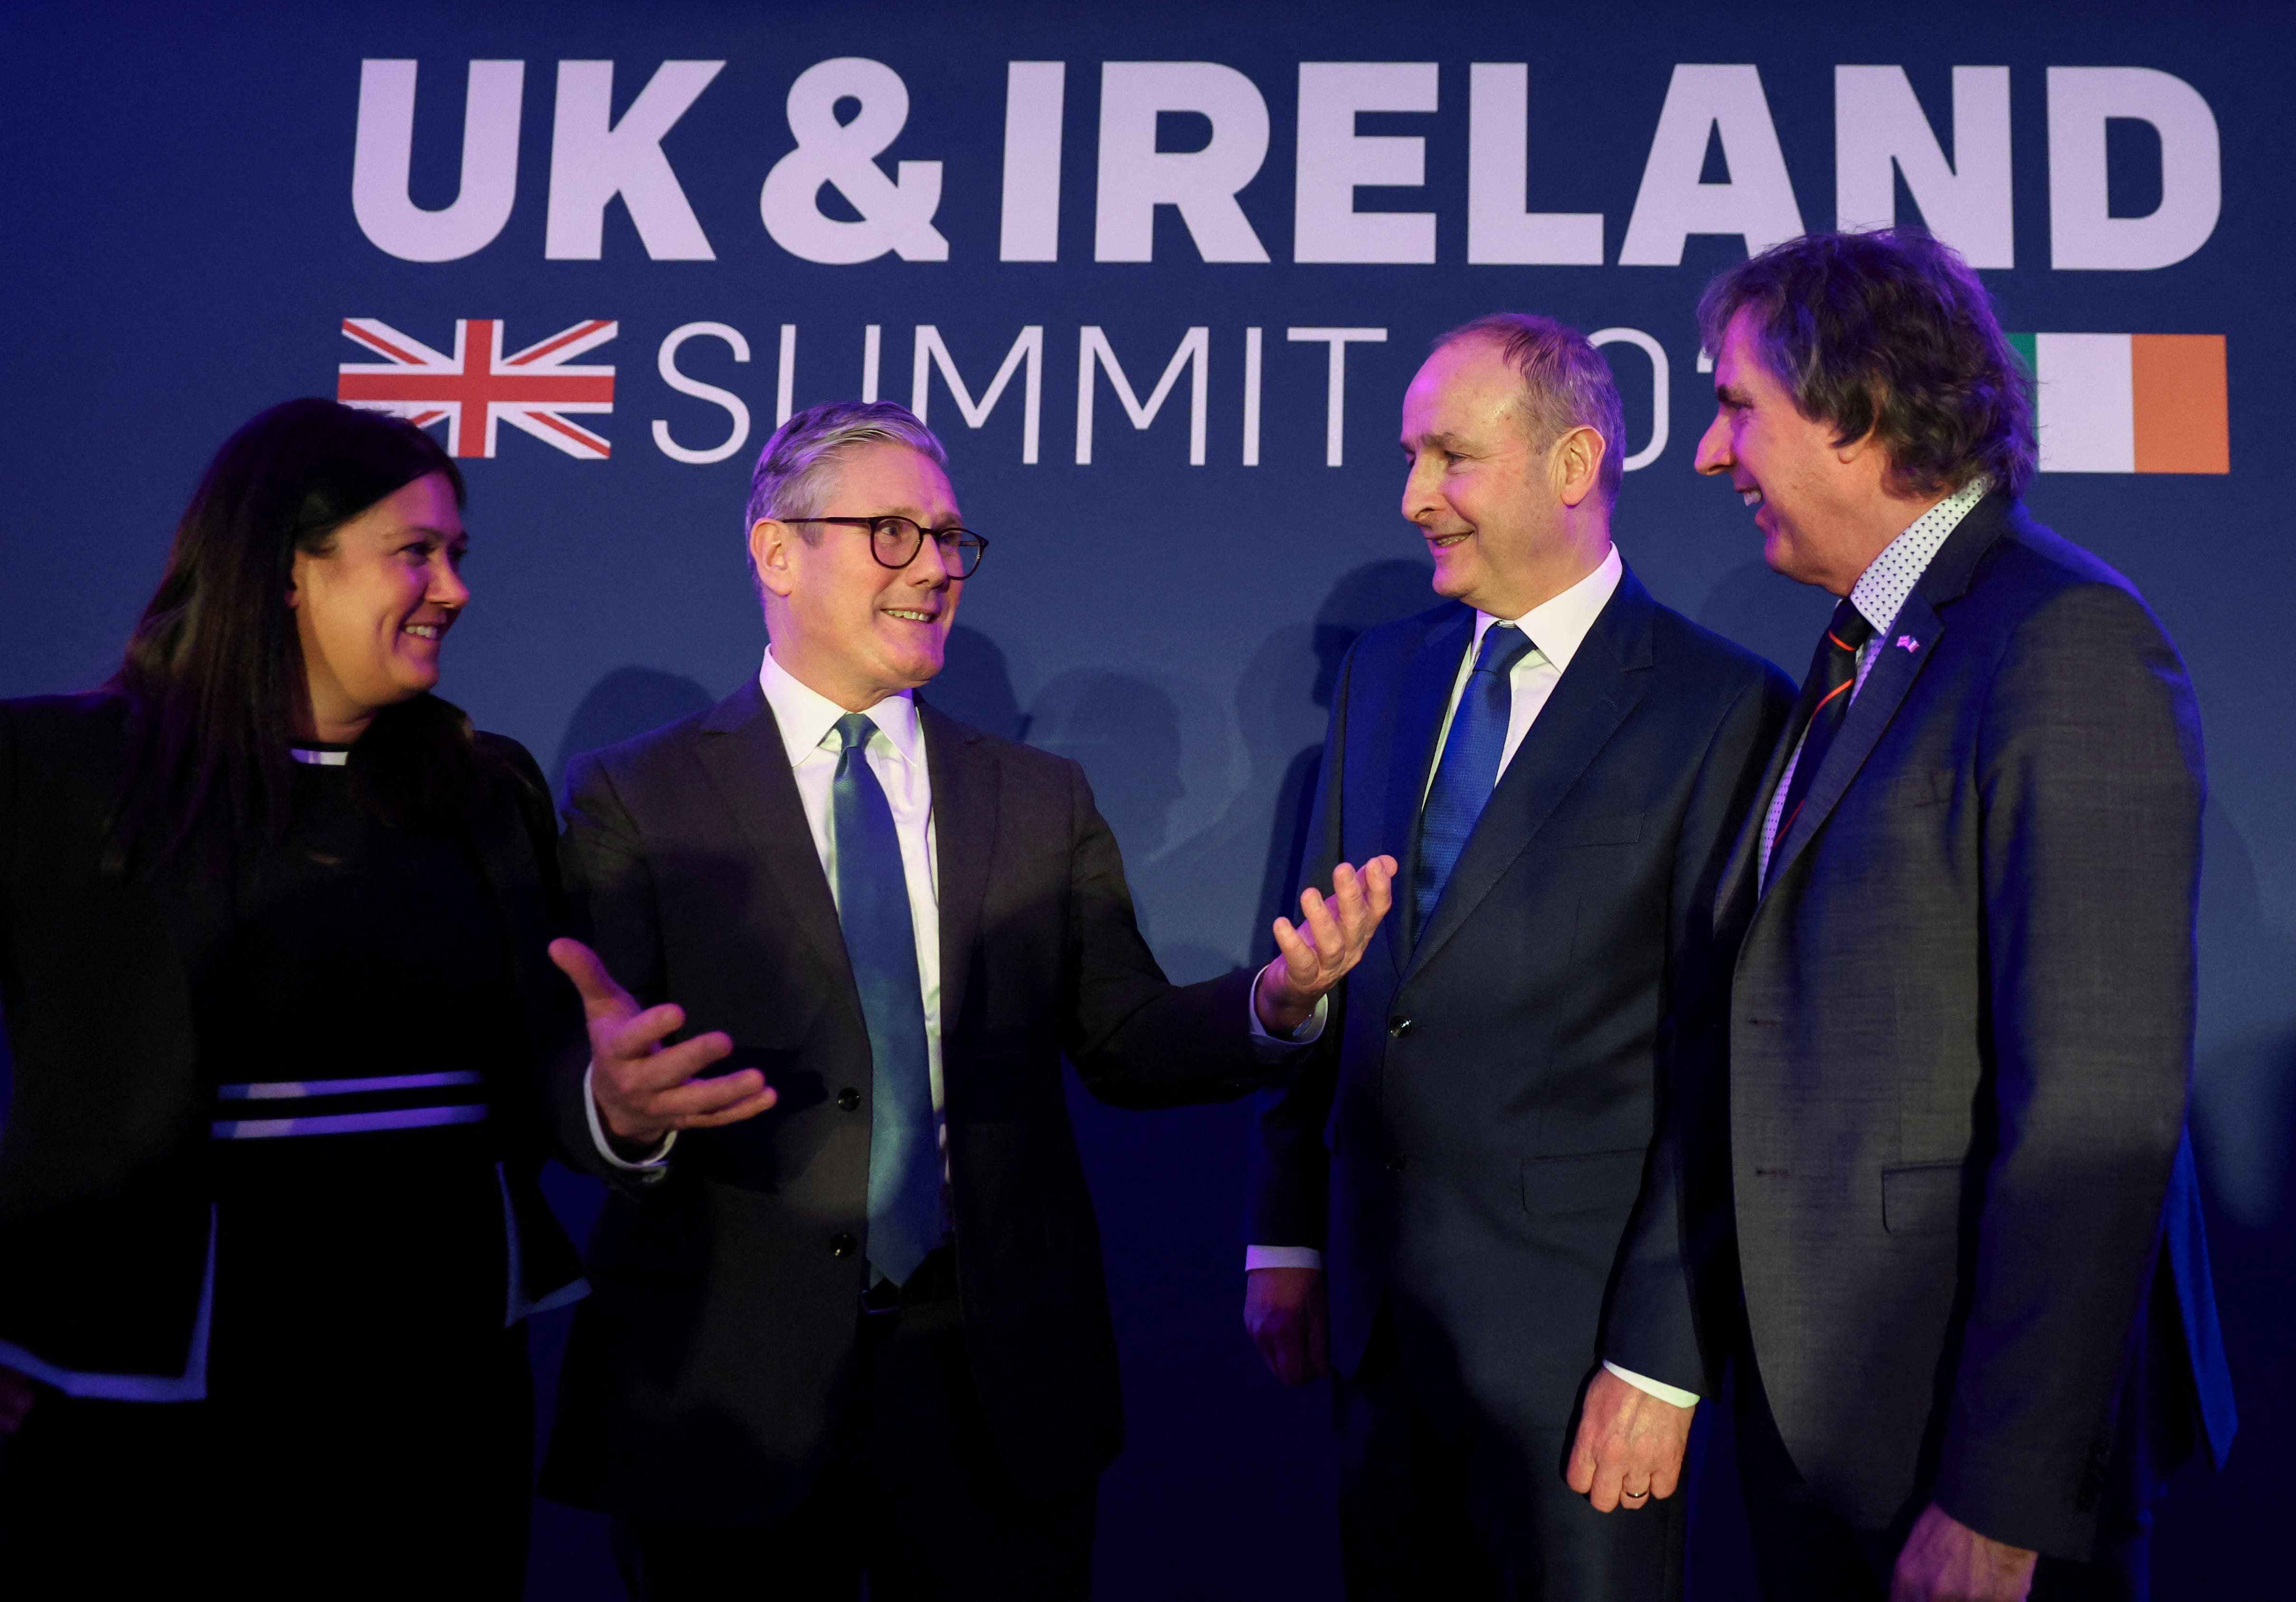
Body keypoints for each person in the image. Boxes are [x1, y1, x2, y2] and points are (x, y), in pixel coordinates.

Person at [538, 399, 1394, 1601]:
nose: (936, 566)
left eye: (948, 538)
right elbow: (570, 1071)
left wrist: (1276, 998)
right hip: (726, 1386)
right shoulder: (637, 792)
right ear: (776, 550)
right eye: (893, 532)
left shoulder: (1034, 796)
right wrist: (616, 1109)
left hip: (989, 1382)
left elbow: (1127, 1040)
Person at [1607, 228, 2237, 1601]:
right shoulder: (1866, 651)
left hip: (1965, 1470)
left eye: (1735, 408)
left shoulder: (2062, 642)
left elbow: (2092, 1120)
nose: (1711, 457)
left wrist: (2001, 1503)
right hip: (1837, 1434)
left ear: (1859, 415)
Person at [1242, 315, 1793, 1601]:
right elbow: (1328, 960)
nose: (1413, 497)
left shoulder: (1723, 708)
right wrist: (1290, 1232)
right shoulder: (1383, 675)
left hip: (1581, 1351)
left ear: (1571, 463)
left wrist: (1662, 1359)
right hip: (1376, 1324)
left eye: (1450, 457)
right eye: (1410, 458)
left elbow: (1723, 1060)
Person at [0, 398, 591, 1595]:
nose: (453, 589)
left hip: (445, 1375)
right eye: (413, 552)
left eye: (455, 555)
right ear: (282, 569)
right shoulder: (57, 774)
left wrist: (616, 1106)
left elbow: (546, 1074)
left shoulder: (488, 787)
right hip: (161, 1380)